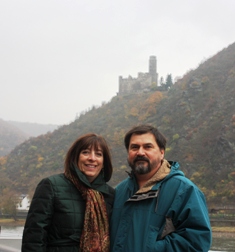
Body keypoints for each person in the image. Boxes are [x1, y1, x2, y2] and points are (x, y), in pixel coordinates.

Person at [110, 125, 212, 252]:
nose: (140, 152)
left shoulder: (184, 190)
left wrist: (149, 248)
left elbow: (196, 242)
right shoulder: (119, 192)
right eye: (134, 147)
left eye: (148, 147)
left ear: (162, 153)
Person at [22, 133, 114, 252]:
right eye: (85, 152)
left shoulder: (109, 195)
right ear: (75, 158)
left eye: (98, 154)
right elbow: (34, 237)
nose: (92, 158)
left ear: (103, 162)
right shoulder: (51, 186)